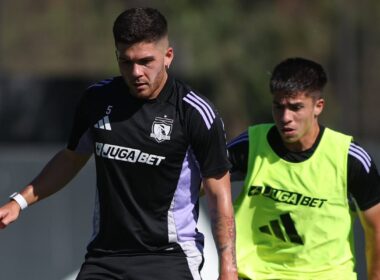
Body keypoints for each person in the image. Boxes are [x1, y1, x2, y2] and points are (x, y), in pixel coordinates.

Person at [0, 7, 237, 280]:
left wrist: (228, 267)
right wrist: (19, 201)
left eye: (146, 61)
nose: (136, 72)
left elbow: (220, 195)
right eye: (126, 62)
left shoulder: (194, 113)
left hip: (169, 258)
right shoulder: (96, 100)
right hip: (105, 257)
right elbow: (70, 159)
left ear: (168, 56)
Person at [228, 57, 380, 280]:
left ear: (318, 106)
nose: (285, 118)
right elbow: (196, 183)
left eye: (296, 107)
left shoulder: (349, 157)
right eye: (278, 107)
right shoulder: (250, 145)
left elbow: (376, 228)